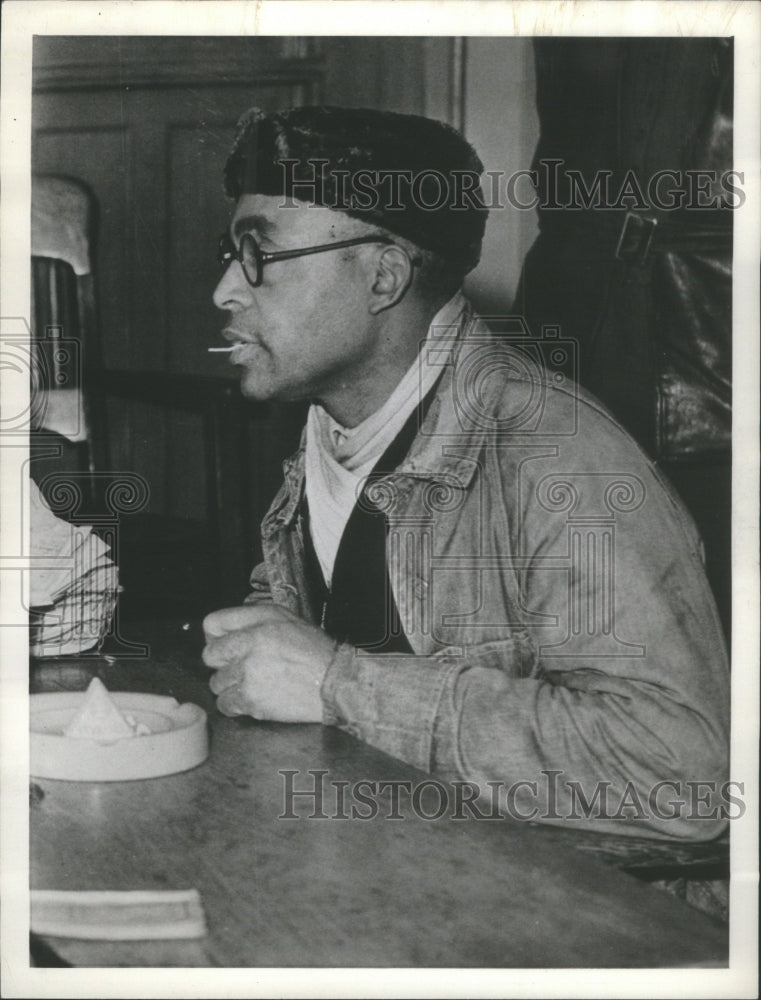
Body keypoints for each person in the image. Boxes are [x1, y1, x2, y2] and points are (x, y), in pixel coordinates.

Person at [202, 106, 729, 839]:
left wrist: (338, 685)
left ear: (383, 276)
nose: (226, 289)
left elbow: (682, 775)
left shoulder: (556, 453)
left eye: (258, 254)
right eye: (229, 253)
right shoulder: (334, 425)